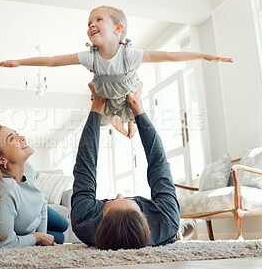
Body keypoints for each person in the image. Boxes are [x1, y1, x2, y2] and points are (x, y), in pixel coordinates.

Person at [0, 5, 233, 139]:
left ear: (118, 29)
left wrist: (204, 55)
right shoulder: (91, 57)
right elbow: (54, 61)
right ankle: (120, 122)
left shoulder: (130, 54)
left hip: (128, 91)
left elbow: (169, 56)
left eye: (98, 20)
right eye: (88, 23)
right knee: (104, 112)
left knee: (133, 105)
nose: (91, 25)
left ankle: (128, 119)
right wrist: (19, 62)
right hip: (106, 95)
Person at [70, 81, 191, 250]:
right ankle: (178, 233)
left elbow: (85, 164)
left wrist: (97, 106)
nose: (119, 194)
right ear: (144, 215)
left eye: (110, 203)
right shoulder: (166, 218)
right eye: (131, 201)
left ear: (100, 220)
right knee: (172, 229)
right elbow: (158, 161)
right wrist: (137, 109)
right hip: (167, 227)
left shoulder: (84, 221)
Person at [0, 124, 69, 248]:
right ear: (1, 159)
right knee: (60, 237)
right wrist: (37, 237)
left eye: (17, 133)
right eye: (12, 138)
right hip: (23, 219)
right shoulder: (5, 188)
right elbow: (6, 243)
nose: (22, 138)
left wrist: (41, 236)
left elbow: (41, 202)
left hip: (34, 212)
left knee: (64, 225)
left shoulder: (28, 169)